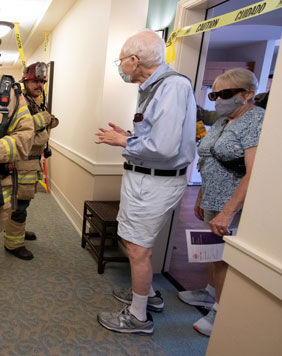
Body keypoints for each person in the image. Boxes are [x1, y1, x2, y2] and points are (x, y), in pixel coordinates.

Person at [95, 29, 196, 335]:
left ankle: (138, 317)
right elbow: (156, 135)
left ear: (135, 60)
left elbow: (164, 148)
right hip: (143, 180)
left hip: (155, 182)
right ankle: (147, 295)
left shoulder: (172, 87)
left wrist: (123, 143)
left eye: (121, 60)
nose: (120, 65)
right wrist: (129, 136)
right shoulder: (151, 88)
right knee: (132, 240)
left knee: (138, 249)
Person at [179, 68, 265, 337]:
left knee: (224, 260)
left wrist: (228, 212)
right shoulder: (222, 121)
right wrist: (202, 196)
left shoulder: (255, 121)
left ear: (247, 94)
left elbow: (254, 172)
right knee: (212, 255)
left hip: (233, 206)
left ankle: (221, 313)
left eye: (225, 94)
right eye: (215, 94)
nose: (218, 100)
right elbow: (210, 158)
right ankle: (209, 293)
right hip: (212, 198)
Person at [4, 62, 59, 260]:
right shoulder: (19, 101)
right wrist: (43, 120)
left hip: (32, 163)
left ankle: (17, 232)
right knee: (18, 205)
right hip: (21, 163)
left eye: (42, 82)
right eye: (35, 81)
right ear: (25, 80)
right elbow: (19, 129)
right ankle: (13, 243)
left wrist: (49, 119)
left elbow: (45, 122)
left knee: (24, 203)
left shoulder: (34, 100)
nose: (39, 85)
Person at [0, 75, 34, 234]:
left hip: (6, 180)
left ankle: (14, 244)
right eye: (36, 81)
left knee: (19, 210)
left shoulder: (10, 94)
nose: (39, 85)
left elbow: (26, 137)